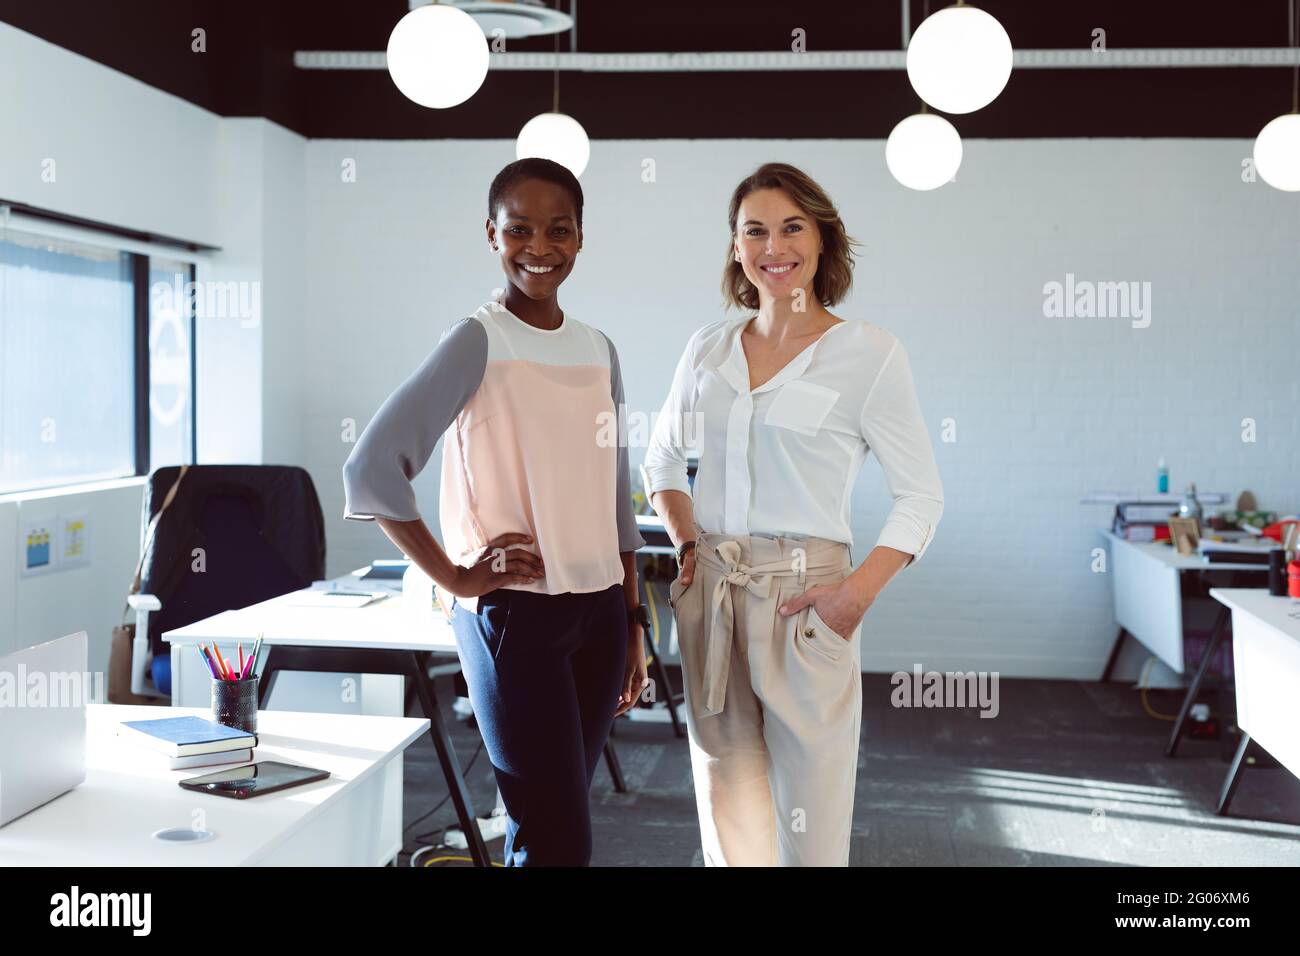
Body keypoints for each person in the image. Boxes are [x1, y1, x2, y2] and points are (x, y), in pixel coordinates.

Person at [342, 158, 649, 866]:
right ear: (492, 234)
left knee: (547, 832)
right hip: (516, 621)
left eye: (558, 230)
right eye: (519, 229)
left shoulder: (600, 350)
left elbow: (616, 499)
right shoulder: (479, 340)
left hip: (600, 615)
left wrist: (633, 623)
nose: (538, 247)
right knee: (557, 839)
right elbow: (372, 467)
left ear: (580, 239)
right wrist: (456, 576)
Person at [642, 161, 944, 866]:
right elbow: (661, 462)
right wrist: (688, 546)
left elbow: (921, 495)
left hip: (808, 604)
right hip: (712, 594)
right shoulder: (708, 349)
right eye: (755, 231)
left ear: (822, 239)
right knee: (730, 817)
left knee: (812, 824)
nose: (773, 246)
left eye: (791, 227)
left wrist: (852, 597)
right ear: (736, 248)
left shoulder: (867, 354)